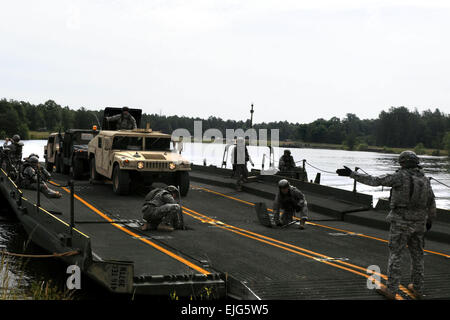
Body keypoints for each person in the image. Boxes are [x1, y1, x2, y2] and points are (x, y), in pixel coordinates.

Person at [337, 150, 436, 300]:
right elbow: (431, 201)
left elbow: (375, 180)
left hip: (401, 221)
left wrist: (352, 174)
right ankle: (417, 288)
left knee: (396, 254)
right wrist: (429, 221)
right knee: (418, 256)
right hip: (420, 222)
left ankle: (391, 289)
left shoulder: (399, 176)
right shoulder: (425, 179)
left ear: (402, 163)